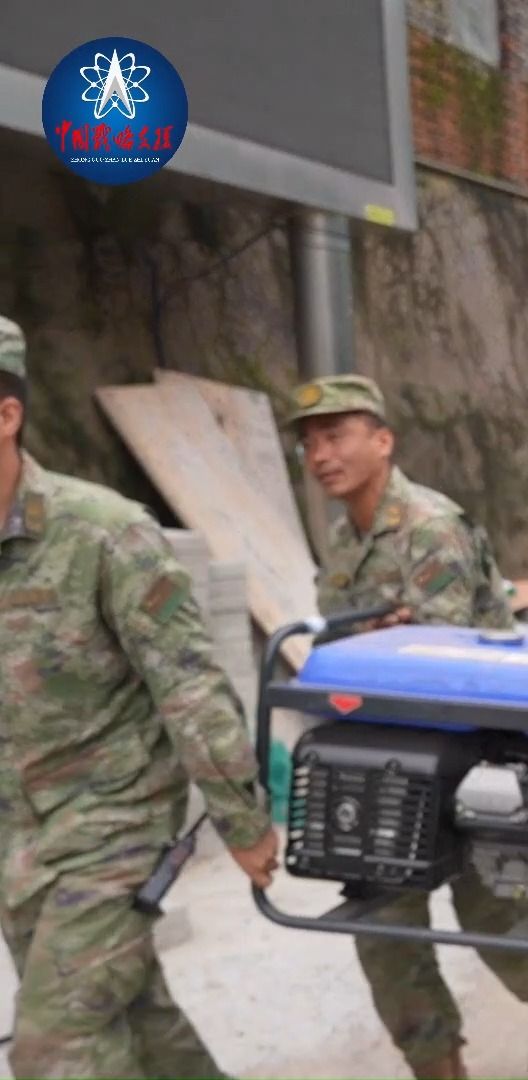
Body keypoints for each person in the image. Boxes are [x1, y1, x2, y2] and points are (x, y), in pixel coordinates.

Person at [0, 314, 279, 1078]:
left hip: (113, 828)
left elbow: (189, 685)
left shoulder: (104, 534)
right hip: (20, 842)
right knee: (136, 1022)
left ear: (7, 414)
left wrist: (244, 818)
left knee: (54, 1047)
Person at [286, 374, 528, 1080]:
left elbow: (442, 669)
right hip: (383, 767)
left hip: (469, 766)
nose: (320, 455)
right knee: (386, 943)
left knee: (503, 936)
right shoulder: (342, 538)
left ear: (382, 441)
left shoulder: (430, 528)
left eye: (336, 436)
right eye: (309, 443)